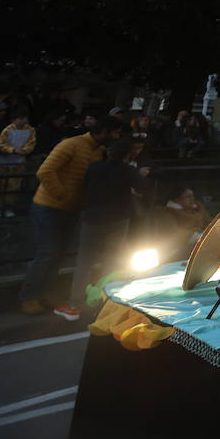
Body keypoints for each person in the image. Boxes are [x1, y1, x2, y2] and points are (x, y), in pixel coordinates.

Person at [18, 115, 122, 315]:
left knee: (58, 254)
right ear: (104, 131)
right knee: (47, 253)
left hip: (72, 209)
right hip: (48, 206)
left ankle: (45, 294)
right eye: (115, 132)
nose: (117, 136)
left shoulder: (99, 151)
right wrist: (62, 195)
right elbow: (45, 171)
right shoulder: (71, 144)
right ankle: (28, 297)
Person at [62, 137, 150, 320]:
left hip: (91, 218)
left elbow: (84, 185)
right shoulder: (128, 170)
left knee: (84, 261)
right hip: (118, 219)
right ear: (128, 155)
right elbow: (143, 188)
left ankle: (74, 303)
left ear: (109, 152)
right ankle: (103, 302)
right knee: (111, 261)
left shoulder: (94, 167)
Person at [0, 111, 36, 217]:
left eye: (25, 118)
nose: (24, 121)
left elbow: (31, 144)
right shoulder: (7, 129)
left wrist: (24, 151)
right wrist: (13, 150)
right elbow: (1, 144)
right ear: (14, 119)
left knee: (14, 186)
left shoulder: (31, 130)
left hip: (19, 161)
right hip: (2, 161)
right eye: (21, 118)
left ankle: (9, 207)